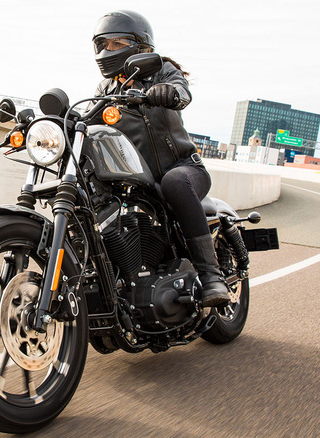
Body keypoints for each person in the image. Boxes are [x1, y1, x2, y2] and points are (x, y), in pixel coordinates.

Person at [91, 10, 229, 307]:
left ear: (141, 45)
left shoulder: (161, 69)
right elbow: (90, 119)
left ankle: (211, 275)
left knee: (175, 183)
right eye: (103, 44)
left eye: (118, 43)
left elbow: (182, 91)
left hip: (182, 167)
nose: (108, 51)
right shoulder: (106, 88)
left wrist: (166, 92)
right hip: (140, 178)